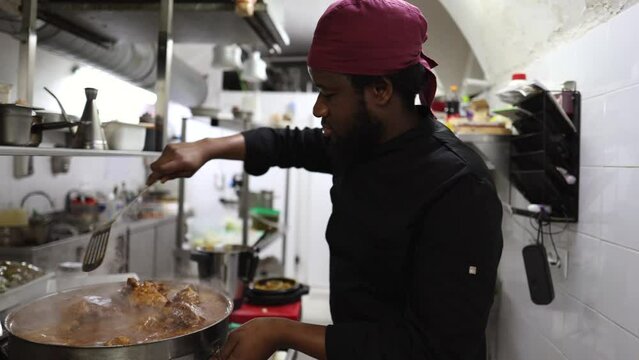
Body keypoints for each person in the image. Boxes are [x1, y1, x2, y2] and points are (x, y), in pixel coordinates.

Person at [147, 0, 503, 359]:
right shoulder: (363, 142)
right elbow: (288, 144)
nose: (318, 108)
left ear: (380, 91)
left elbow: (433, 348)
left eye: (329, 93)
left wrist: (281, 331)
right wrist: (205, 148)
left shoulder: (459, 186)